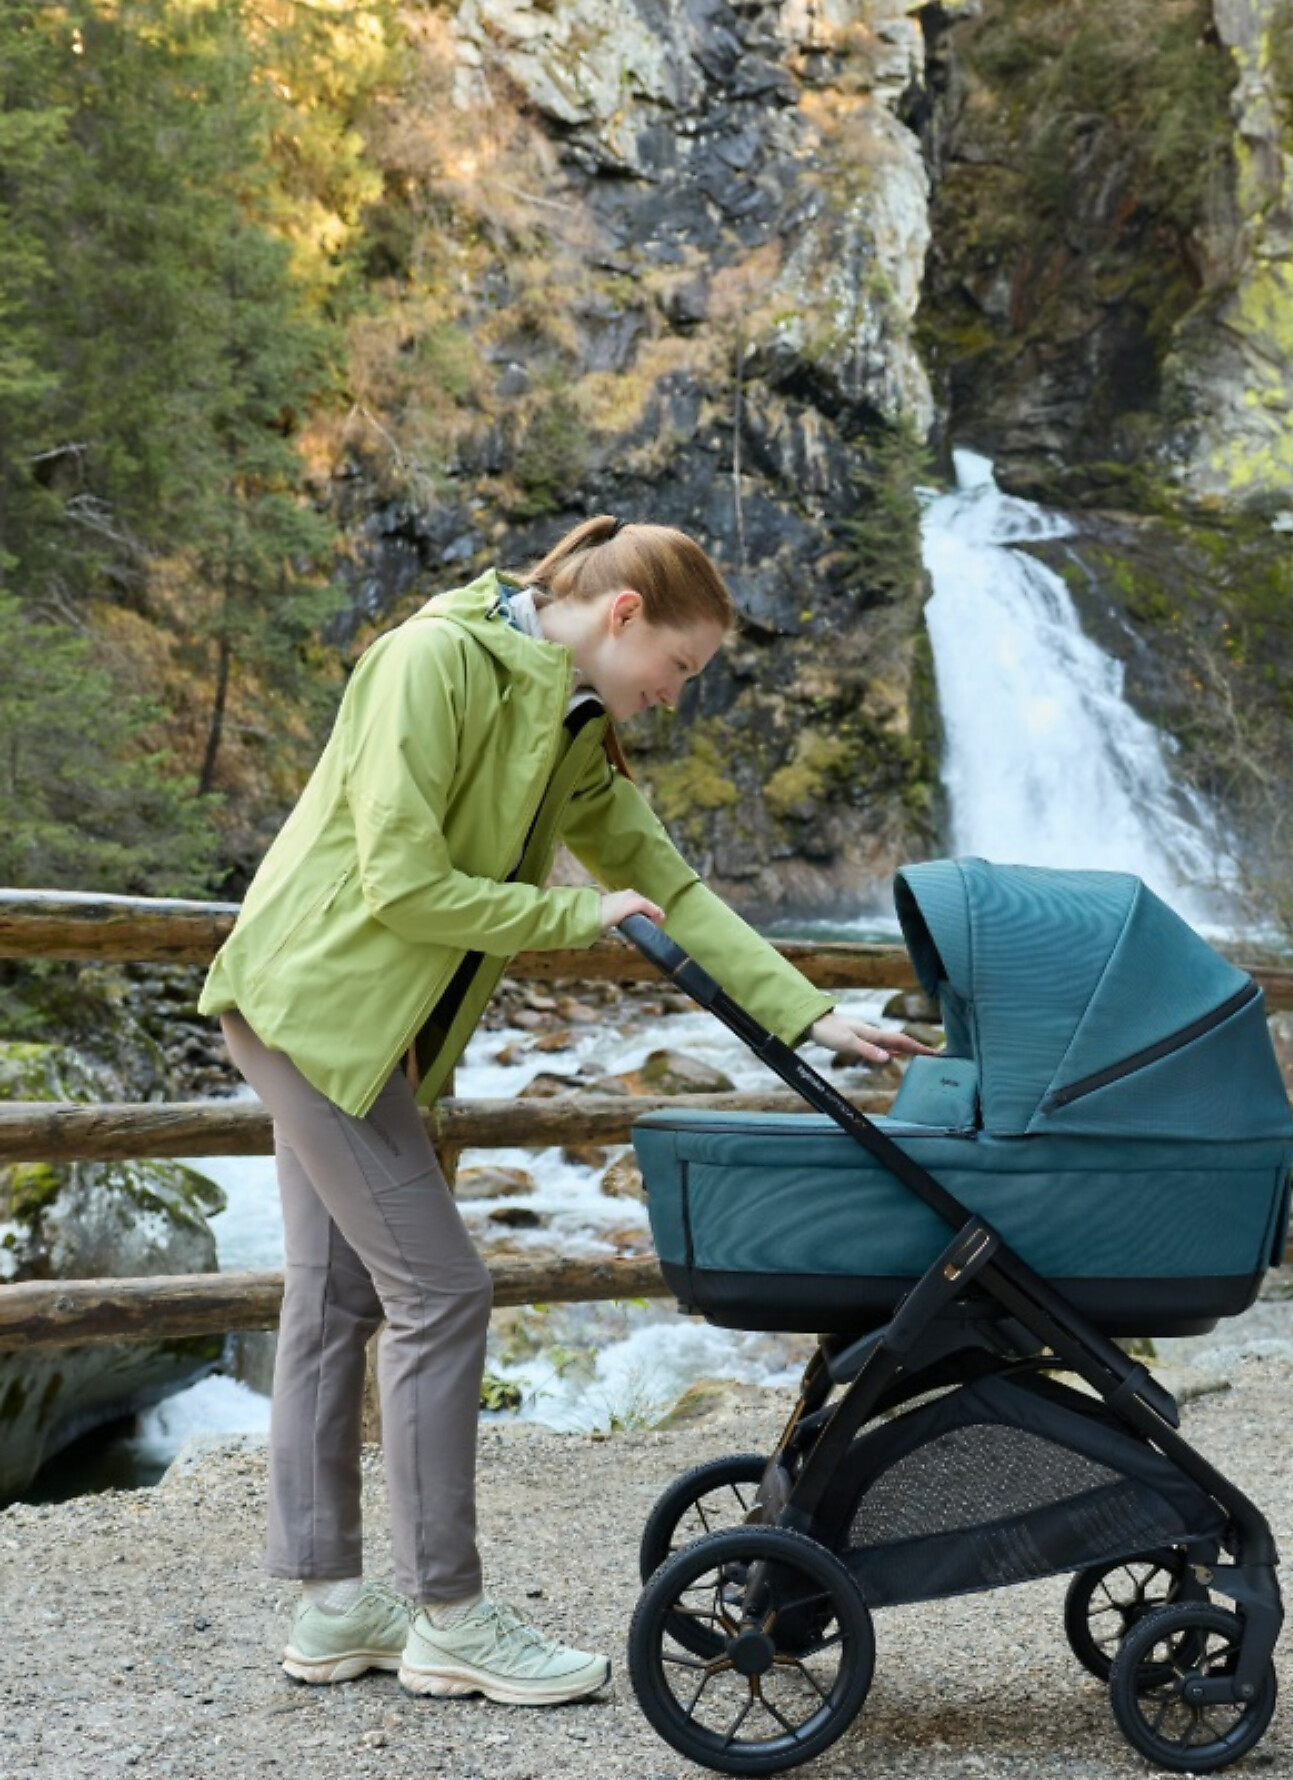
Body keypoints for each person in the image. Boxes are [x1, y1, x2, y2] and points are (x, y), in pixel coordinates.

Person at [199, 516, 924, 1708]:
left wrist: (809, 1012)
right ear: (623, 611)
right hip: (309, 1010)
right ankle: (449, 1614)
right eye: (678, 665)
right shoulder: (431, 661)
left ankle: (330, 1604)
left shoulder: (568, 721)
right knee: (443, 1291)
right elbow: (401, 883)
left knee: (335, 1298)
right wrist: (575, 914)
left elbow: (670, 885)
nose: (673, 694)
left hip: (361, 1030)